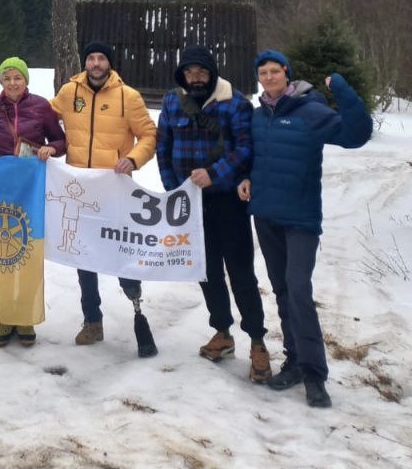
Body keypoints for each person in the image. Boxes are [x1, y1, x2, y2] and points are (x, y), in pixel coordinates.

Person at [238, 50, 372, 407]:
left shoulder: (309, 111)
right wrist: (245, 177)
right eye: (262, 72)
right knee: (282, 289)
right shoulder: (257, 116)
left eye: (274, 71)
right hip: (266, 215)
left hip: (300, 218)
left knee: (298, 288)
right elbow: (252, 156)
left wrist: (341, 89)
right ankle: (295, 360)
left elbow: (356, 134)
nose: (268, 77)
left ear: (287, 73)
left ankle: (314, 374)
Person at [156, 45, 271, 382]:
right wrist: (175, 190)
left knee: (240, 272)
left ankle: (257, 341)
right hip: (191, 204)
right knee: (206, 271)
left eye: (202, 72)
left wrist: (214, 173)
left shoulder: (235, 103)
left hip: (228, 201)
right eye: (189, 72)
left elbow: (245, 148)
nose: (195, 78)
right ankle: (222, 332)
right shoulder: (172, 101)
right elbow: (163, 147)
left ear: (212, 73)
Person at [50, 41, 158, 358]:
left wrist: (133, 159)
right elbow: (41, 117)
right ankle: (92, 320)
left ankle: (135, 299)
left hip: (114, 189)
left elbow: (149, 135)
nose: (96, 63)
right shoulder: (69, 92)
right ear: (85, 62)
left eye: (101, 58)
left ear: (110, 63)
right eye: (91, 58)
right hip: (80, 187)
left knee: (120, 250)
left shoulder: (128, 97)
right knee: (84, 258)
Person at [0, 56, 66, 347]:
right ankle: (4, 314)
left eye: (17, 77)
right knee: (3, 255)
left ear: (26, 80)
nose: (12, 83)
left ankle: (25, 315)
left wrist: (50, 148)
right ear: (1, 82)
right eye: (7, 78)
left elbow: (61, 141)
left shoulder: (41, 107)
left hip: (32, 191)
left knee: (29, 254)